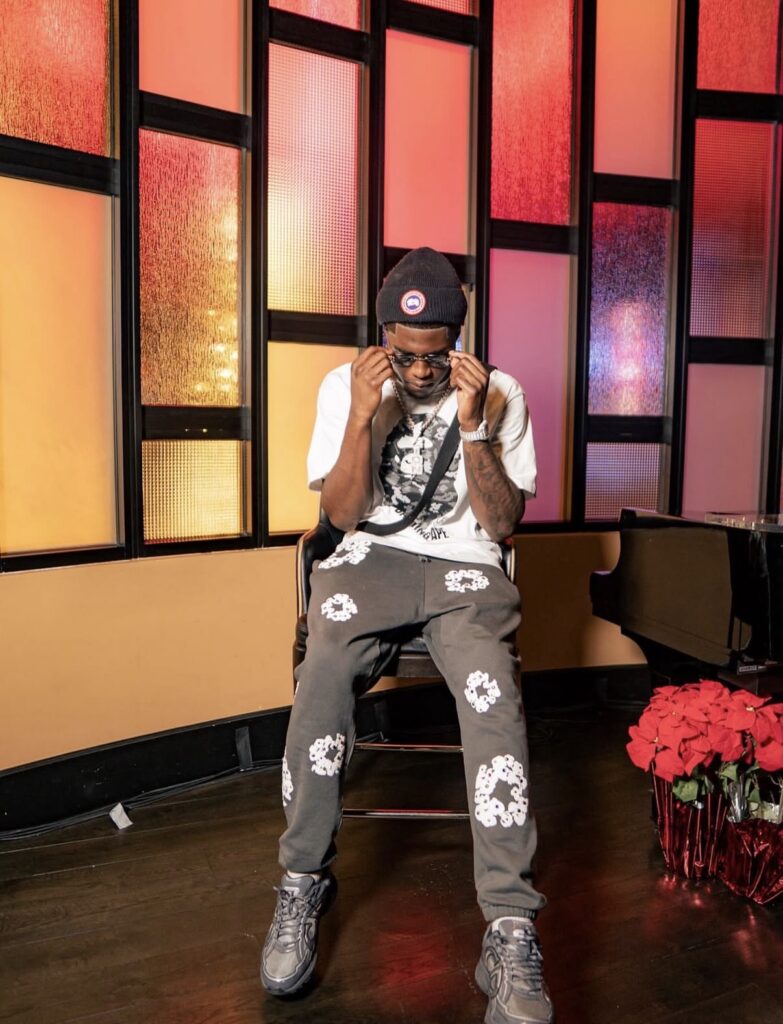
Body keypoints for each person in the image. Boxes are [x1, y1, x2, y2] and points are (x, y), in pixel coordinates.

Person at [260, 247, 552, 1024]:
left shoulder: (501, 393)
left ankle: (509, 925)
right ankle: (302, 879)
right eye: (404, 355)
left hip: (467, 572)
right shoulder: (344, 385)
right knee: (323, 671)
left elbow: (502, 524)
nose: (420, 372)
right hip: (370, 562)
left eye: (436, 356)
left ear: (458, 339)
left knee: (493, 701)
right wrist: (363, 413)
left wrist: (474, 427)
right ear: (383, 335)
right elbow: (342, 515)